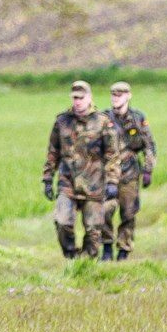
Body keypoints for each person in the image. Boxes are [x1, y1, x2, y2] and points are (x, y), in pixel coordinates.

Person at [41, 80, 119, 260]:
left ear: (89, 98)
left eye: (81, 98)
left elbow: (112, 155)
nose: (77, 102)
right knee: (62, 222)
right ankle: (71, 257)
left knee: (93, 230)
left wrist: (113, 181)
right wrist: (47, 178)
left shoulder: (102, 122)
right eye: (75, 98)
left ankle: (86, 262)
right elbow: (53, 152)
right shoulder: (62, 121)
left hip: (94, 184)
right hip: (67, 183)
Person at [104, 82, 155, 261]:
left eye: (119, 95)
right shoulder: (103, 118)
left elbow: (149, 145)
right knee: (105, 210)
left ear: (128, 96)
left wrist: (148, 170)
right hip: (108, 174)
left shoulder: (137, 118)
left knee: (128, 212)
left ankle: (124, 250)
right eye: (113, 95)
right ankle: (107, 246)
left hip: (130, 172)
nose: (115, 98)